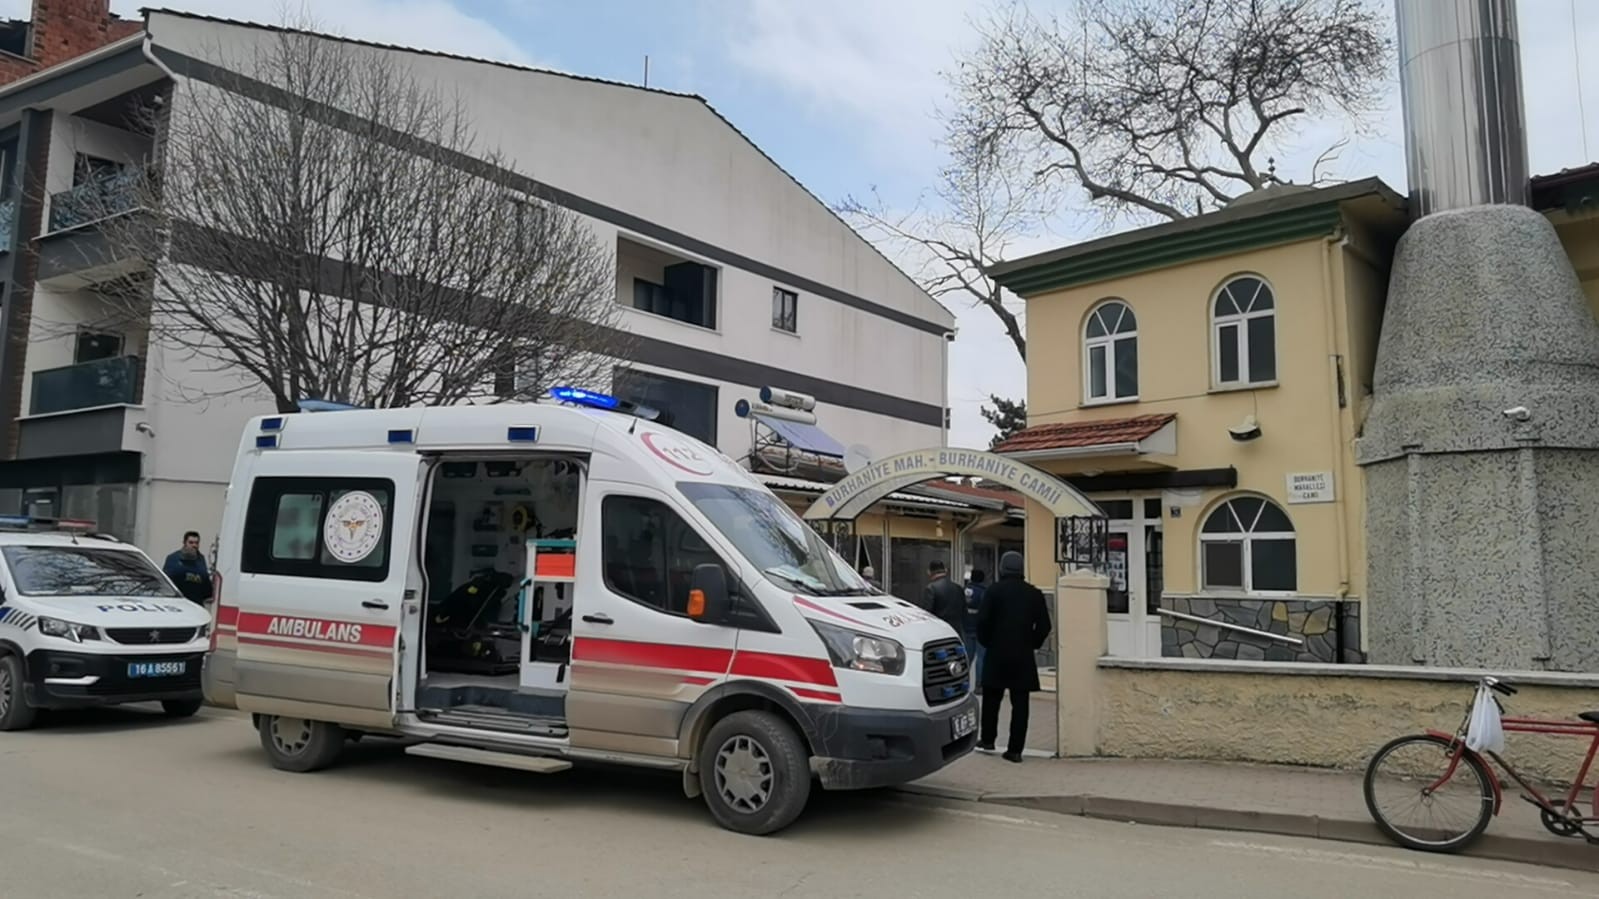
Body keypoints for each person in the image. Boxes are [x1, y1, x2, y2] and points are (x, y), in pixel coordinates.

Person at [976, 551, 1051, 763]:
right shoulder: (1034, 594)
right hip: (1023, 655)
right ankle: (1015, 750)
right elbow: (1045, 625)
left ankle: (988, 739)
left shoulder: (993, 591)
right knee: (1021, 703)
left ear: (1002, 568)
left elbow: (982, 622)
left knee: (991, 698)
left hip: (997, 652)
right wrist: (1032, 643)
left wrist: (987, 642)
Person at [163, 531, 214, 606]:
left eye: (196, 543)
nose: (194, 545)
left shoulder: (201, 560)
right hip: (177, 603)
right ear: (184, 543)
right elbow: (166, 582)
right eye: (191, 542)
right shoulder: (173, 559)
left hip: (196, 603)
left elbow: (206, 583)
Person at [922, 559, 964, 634]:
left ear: (929, 572)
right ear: (945, 570)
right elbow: (964, 610)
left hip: (939, 631)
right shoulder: (958, 587)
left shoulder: (931, 588)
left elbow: (927, 613)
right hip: (957, 632)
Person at [963, 569, 987, 682]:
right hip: (980, 628)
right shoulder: (983, 592)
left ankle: (962, 680)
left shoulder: (964, 590)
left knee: (967, 656)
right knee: (981, 657)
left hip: (967, 626)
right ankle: (979, 684)